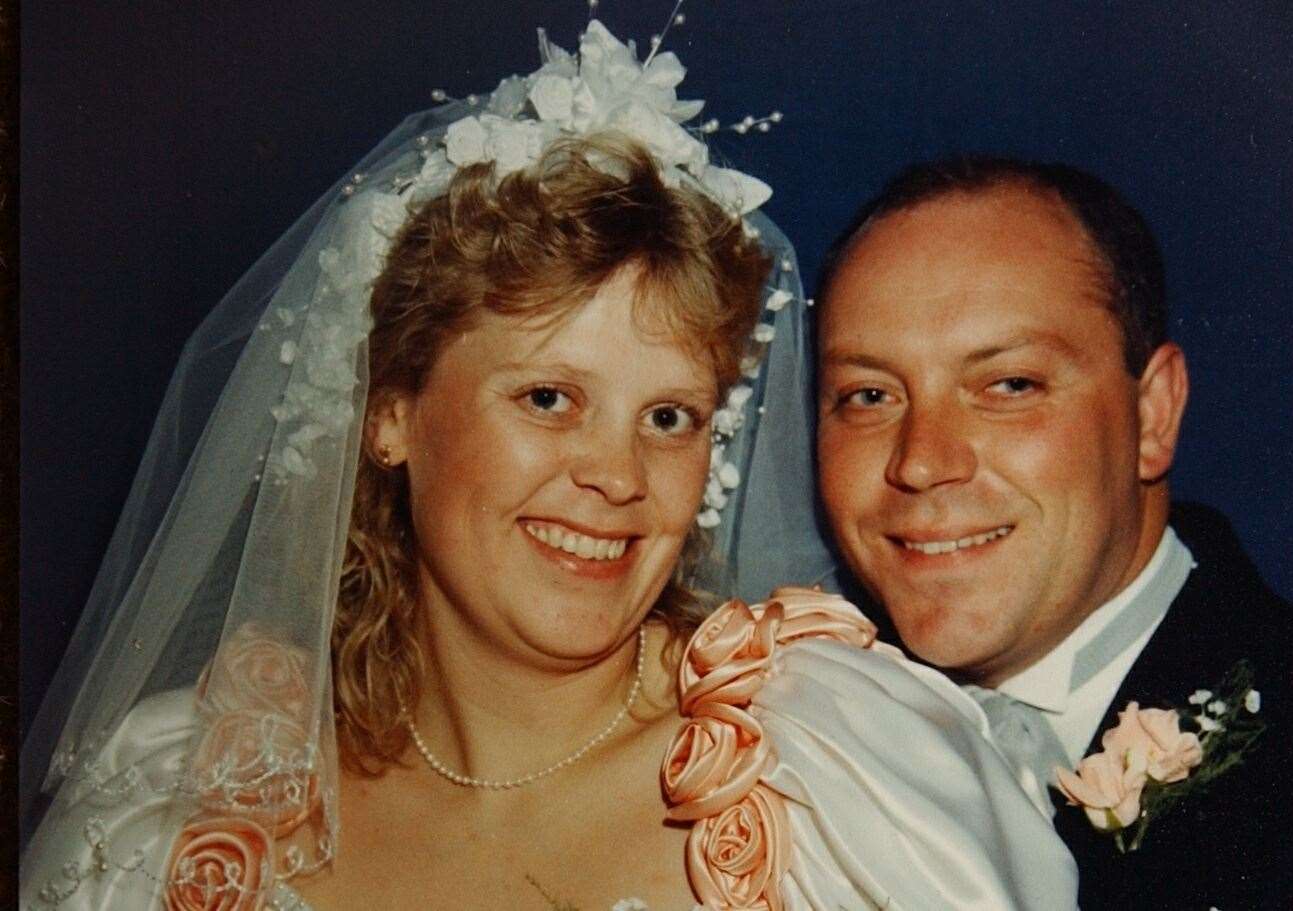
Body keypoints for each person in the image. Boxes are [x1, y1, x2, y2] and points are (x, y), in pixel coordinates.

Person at [20, 22, 1078, 911]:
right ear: (390, 413)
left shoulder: (839, 774)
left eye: (667, 414)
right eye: (548, 397)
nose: (617, 475)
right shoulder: (176, 790)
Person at [816, 155, 1293, 909]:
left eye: (1008, 385)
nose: (919, 462)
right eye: (868, 394)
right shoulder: (800, 735)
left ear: (1152, 415)